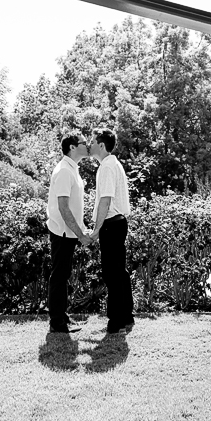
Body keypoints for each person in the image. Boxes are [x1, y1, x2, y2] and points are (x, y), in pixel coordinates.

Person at [87, 128, 135, 334]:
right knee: (119, 272)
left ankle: (117, 323)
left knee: (112, 274)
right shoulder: (114, 164)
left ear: (101, 145)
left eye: (92, 141)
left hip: (111, 224)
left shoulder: (107, 167)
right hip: (118, 223)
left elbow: (105, 201)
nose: (89, 145)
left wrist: (96, 229)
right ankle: (126, 317)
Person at [46, 134, 92, 334]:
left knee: (63, 275)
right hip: (62, 232)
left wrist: (81, 229)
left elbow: (73, 206)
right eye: (84, 143)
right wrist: (80, 234)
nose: (87, 146)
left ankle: (61, 317)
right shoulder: (65, 171)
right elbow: (64, 208)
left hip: (68, 232)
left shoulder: (72, 168)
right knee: (59, 276)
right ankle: (57, 323)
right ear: (73, 147)